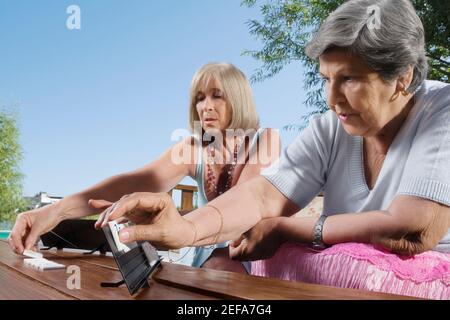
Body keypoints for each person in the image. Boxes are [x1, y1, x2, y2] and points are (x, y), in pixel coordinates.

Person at [73, 0, 450, 299]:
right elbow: (262, 195)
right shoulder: (330, 128)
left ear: (403, 78)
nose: (332, 98)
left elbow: (414, 227)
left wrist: (290, 227)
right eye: (326, 79)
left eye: (348, 79)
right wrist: (185, 230)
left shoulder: (442, 109)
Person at [8, 62, 280, 273]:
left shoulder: (266, 140)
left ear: (238, 99)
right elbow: (132, 182)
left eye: (216, 96)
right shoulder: (193, 148)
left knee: (218, 269)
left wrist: (174, 223)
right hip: (204, 249)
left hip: (250, 248)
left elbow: (242, 211)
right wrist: (54, 211)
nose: (205, 107)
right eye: (199, 98)